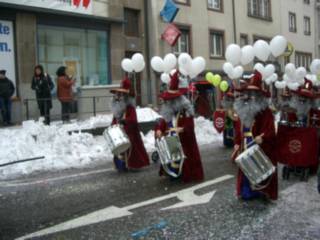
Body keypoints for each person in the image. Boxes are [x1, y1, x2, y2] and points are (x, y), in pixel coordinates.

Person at [233, 71, 278, 201]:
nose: (249, 96)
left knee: (258, 166)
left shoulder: (265, 111)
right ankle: (246, 190)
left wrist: (262, 137)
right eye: (248, 93)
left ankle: (261, 190)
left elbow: (270, 129)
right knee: (245, 166)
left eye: (253, 94)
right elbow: (238, 128)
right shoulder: (242, 109)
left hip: (258, 144)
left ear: (258, 96)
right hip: (245, 143)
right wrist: (237, 141)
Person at [155, 70, 204, 183]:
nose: (170, 101)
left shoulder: (185, 110)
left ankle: (183, 174)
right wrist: (158, 130)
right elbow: (163, 123)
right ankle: (172, 172)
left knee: (185, 160)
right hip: (171, 142)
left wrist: (183, 129)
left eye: (172, 99)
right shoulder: (168, 110)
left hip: (184, 142)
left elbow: (190, 126)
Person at [110, 76, 149, 171]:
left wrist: (125, 122)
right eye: (119, 94)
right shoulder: (118, 108)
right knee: (119, 148)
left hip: (130, 133)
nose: (119, 96)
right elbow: (115, 118)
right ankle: (122, 164)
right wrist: (113, 126)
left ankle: (132, 164)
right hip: (120, 133)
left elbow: (133, 121)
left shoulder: (130, 108)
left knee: (133, 148)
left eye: (121, 94)